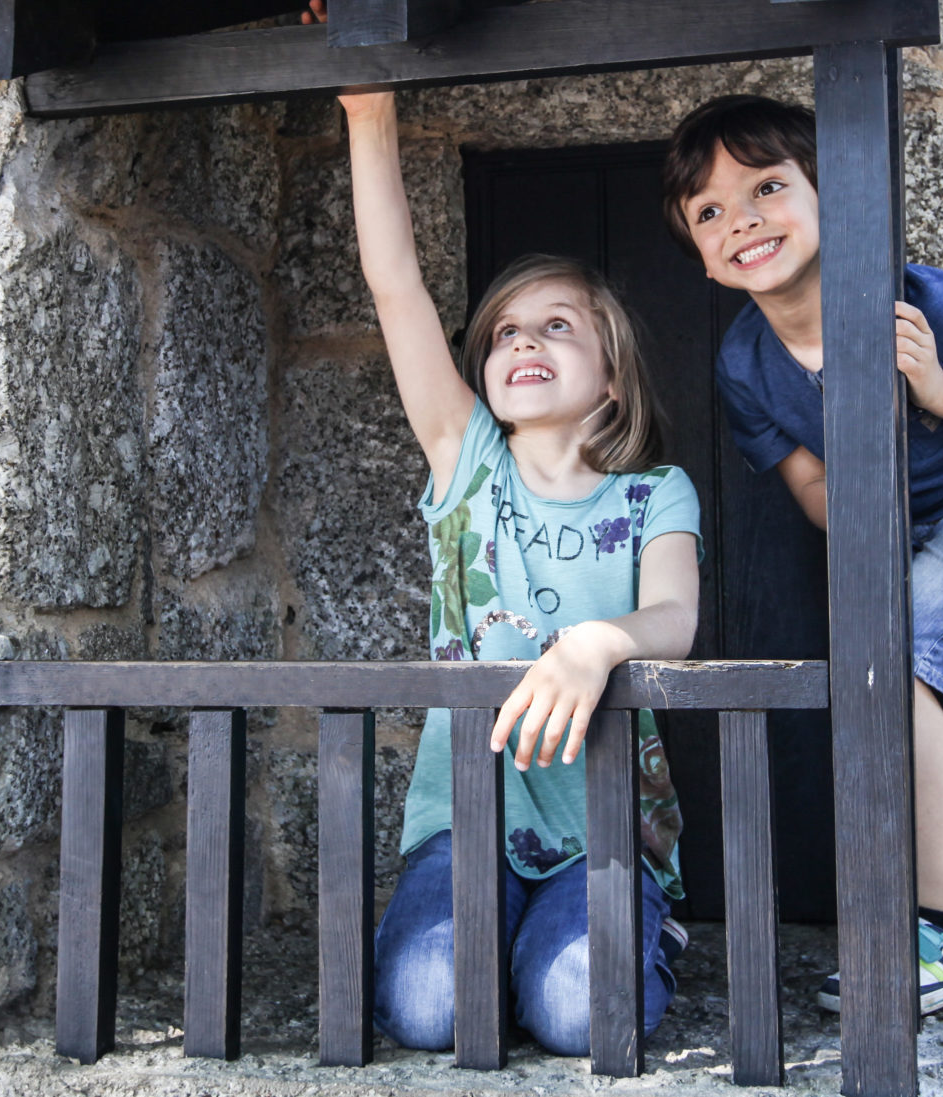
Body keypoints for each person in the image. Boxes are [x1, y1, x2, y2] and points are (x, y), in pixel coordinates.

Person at [664, 95, 943, 1014]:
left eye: (767, 186)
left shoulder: (914, 300)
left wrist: (931, 383)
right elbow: (815, 491)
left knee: (895, 669)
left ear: (832, 194)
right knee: (886, 663)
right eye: (709, 211)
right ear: (698, 249)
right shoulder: (745, 362)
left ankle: (930, 928)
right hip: (911, 525)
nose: (741, 220)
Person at [335, 84, 704, 1057]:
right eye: (505, 331)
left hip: (605, 818)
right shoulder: (466, 467)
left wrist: (598, 641)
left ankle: (635, 924)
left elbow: (673, 613)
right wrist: (367, 108)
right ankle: (485, 939)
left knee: (580, 1012)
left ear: (612, 375)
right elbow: (395, 285)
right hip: (469, 813)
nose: (523, 341)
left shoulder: (653, 493)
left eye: (556, 327)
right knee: (424, 1008)